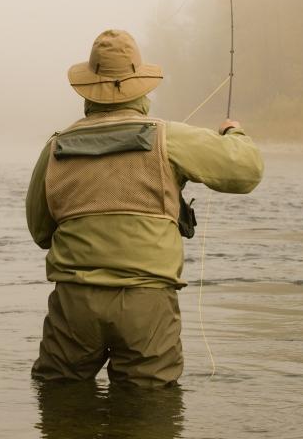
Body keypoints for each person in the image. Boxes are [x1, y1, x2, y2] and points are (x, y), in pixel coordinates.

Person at [25, 29, 263, 387]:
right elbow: (247, 171)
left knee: (61, 403)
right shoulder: (168, 137)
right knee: (148, 411)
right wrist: (233, 134)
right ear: (141, 85)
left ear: (88, 88)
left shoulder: (56, 147)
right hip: (147, 305)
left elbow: (41, 232)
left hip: (74, 305)